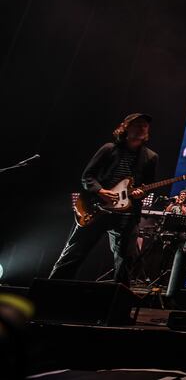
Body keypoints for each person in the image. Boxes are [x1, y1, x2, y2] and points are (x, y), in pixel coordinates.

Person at [50, 113, 158, 287]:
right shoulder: (109, 149)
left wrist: (141, 193)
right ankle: (49, 293)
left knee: (126, 261)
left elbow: (147, 184)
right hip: (97, 208)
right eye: (137, 124)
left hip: (126, 214)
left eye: (144, 125)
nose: (141, 127)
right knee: (74, 253)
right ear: (126, 127)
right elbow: (87, 176)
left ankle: (116, 305)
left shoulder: (151, 157)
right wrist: (101, 191)